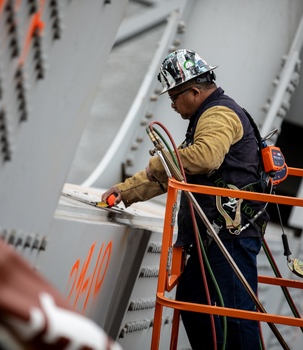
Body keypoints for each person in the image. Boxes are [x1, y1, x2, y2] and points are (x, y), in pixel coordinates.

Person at [102, 49, 269, 349]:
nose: (171, 103)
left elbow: (204, 158)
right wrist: (125, 191)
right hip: (217, 237)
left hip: (230, 236)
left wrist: (157, 162)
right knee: (192, 298)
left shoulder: (219, 114)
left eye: (174, 96)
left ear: (193, 91)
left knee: (238, 316)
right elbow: (176, 170)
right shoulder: (207, 116)